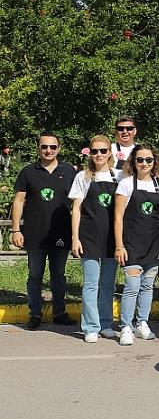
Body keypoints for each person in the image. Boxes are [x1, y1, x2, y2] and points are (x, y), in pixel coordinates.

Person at [11, 133, 77, 330]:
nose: (48, 150)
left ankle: (59, 312)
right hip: (34, 234)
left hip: (61, 233)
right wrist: (15, 230)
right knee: (35, 275)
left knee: (58, 274)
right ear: (38, 148)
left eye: (53, 147)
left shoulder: (69, 171)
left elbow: (78, 203)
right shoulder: (28, 172)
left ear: (59, 148)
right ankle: (35, 314)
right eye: (44, 147)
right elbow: (19, 201)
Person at [114, 144, 159, 346]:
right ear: (133, 162)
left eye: (148, 159)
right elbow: (118, 217)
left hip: (154, 243)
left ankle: (142, 323)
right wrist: (119, 245)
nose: (144, 163)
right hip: (132, 244)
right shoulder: (127, 184)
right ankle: (126, 327)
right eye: (140, 160)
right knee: (131, 287)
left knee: (147, 286)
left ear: (154, 162)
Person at [70, 136, 121, 342]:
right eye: (95, 151)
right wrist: (75, 238)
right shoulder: (82, 177)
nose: (99, 155)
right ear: (89, 153)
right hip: (88, 237)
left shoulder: (119, 176)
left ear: (110, 152)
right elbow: (76, 209)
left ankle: (106, 323)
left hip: (112, 239)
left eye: (103, 151)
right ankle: (90, 326)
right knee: (91, 283)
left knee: (108, 284)